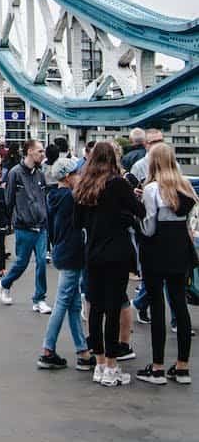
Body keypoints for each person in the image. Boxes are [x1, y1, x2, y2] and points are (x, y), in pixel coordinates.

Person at [73, 141, 144, 387]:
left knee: (95, 307)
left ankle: (100, 362)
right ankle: (112, 366)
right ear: (113, 158)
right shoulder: (117, 183)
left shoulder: (83, 185)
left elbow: (77, 221)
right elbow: (140, 211)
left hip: (93, 252)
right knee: (114, 308)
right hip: (116, 252)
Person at [135, 143, 195, 385]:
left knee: (157, 307)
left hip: (156, 252)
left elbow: (148, 229)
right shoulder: (186, 187)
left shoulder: (151, 189)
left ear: (154, 162)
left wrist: (136, 214)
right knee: (180, 306)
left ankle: (157, 367)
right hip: (180, 250)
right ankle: (182, 367)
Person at [37, 157, 95, 371]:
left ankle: (83, 351)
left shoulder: (53, 196)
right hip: (73, 252)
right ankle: (47, 349)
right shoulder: (72, 199)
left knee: (72, 304)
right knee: (63, 302)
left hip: (62, 249)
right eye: (77, 174)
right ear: (69, 177)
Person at [0, 139, 50, 312]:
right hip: (23, 226)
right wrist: (13, 220)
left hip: (40, 226)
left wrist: (45, 219)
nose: (42, 154)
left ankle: (39, 299)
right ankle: (5, 284)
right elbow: (8, 199)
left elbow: (44, 199)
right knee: (21, 262)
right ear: (29, 151)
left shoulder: (40, 174)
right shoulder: (15, 173)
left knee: (42, 262)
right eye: (39, 151)